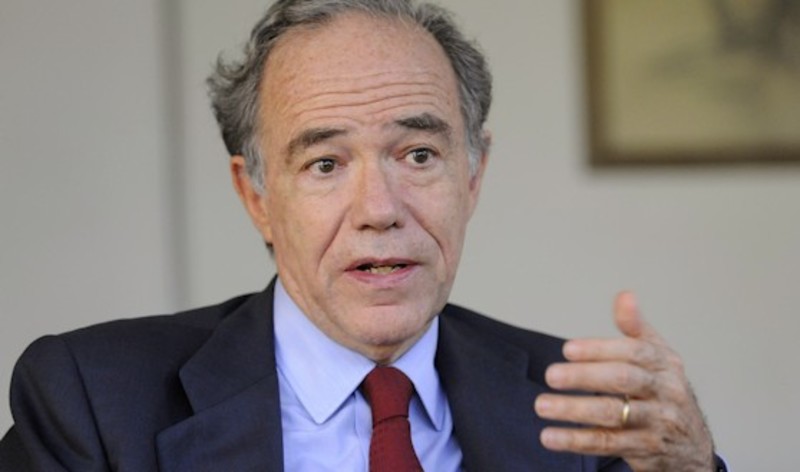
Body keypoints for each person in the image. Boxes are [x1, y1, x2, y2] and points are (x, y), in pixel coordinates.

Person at [0, 0, 726, 470]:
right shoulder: (94, 402)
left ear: (473, 176)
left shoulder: (587, 418)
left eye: (419, 155)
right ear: (256, 196)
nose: (379, 209)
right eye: (325, 163)